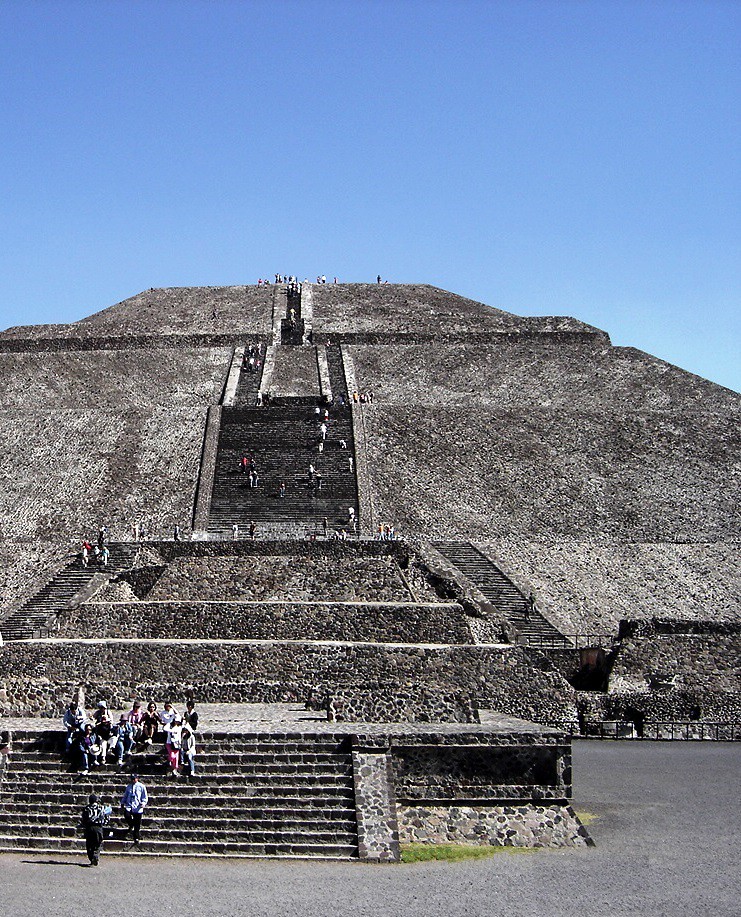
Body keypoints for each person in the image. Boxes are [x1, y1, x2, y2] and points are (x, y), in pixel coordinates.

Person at [80, 793, 111, 866]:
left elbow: (84, 819)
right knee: (98, 843)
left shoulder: (86, 808)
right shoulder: (102, 808)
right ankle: (95, 856)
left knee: (89, 844)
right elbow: (107, 817)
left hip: (89, 828)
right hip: (98, 827)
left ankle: (91, 858)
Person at [121, 773, 148, 846]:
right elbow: (125, 795)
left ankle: (136, 837)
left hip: (138, 807)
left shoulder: (141, 786)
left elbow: (144, 797)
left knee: (137, 824)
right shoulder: (129, 786)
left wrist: (143, 803)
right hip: (130, 806)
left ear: (137, 778)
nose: (133, 780)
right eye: (132, 779)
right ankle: (131, 824)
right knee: (127, 815)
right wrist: (123, 802)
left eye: (134, 778)